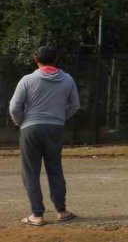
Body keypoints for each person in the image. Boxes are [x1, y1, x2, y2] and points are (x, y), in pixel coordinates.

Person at [8, 46, 80, 227]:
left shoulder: (27, 80)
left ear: (35, 59)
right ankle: (61, 211)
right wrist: (59, 117)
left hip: (30, 128)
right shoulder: (68, 79)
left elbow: (14, 107)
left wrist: (20, 122)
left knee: (31, 171)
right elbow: (75, 105)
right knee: (55, 168)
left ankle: (37, 214)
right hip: (55, 128)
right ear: (56, 59)